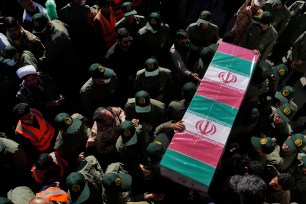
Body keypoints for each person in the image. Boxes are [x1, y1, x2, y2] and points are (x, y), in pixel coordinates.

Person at [31, 13, 79, 112]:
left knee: (70, 86)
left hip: (66, 64)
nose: (42, 32)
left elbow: (46, 59)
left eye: (42, 28)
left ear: (47, 23)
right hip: (70, 54)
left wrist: (34, 61)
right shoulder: (56, 22)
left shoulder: (55, 38)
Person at [104, 28, 140, 105]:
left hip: (135, 79)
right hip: (121, 85)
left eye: (130, 40)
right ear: (118, 40)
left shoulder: (133, 46)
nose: (129, 44)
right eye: (125, 42)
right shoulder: (111, 55)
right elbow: (112, 76)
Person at [58, 0, 96, 67]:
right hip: (87, 39)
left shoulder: (62, 12)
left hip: (74, 41)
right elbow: (91, 23)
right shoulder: (86, 9)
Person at [169, 29, 202, 99]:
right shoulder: (174, 52)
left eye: (187, 42)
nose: (186, 44)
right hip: (178, 70)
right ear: (177, 41)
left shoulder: (187, 42)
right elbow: (181, 67)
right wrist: (190, 74)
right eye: (183, 43)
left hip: (187, 64)